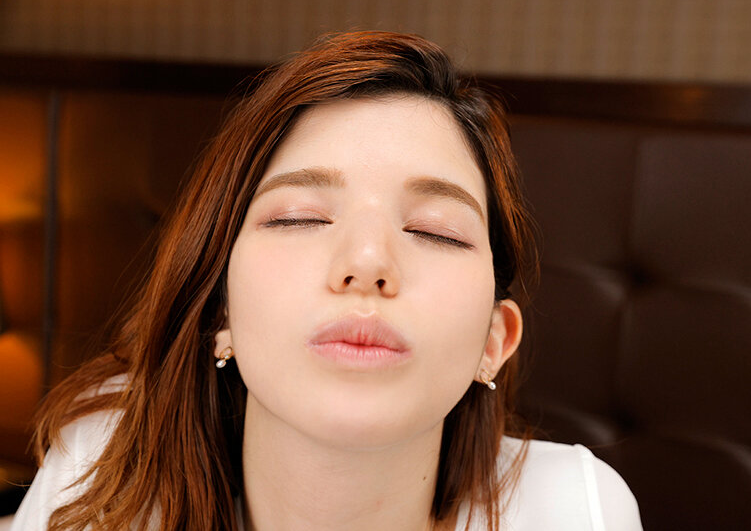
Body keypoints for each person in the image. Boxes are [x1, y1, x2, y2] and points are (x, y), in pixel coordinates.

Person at [11, 31, 642, 531]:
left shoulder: (575, 511)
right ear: (219, 309)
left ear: (494, 340)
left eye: (436, 231)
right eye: (300, 217)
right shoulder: (101, 477)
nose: (367, 262)